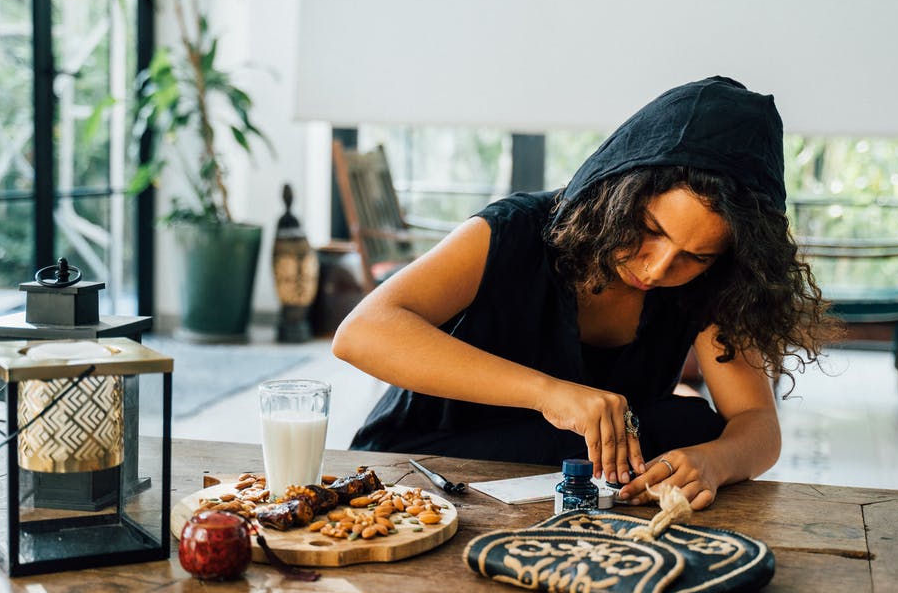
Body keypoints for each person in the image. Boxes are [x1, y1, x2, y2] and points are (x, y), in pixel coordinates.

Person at [332, 76, 836, 510]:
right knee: (675, 423)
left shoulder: (716, 282)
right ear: (620, 192)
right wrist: (548, 394)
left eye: (695, 256)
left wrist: (715, 462)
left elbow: (756, 424)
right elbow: (361, 333)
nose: (659, 268)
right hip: (434, 459)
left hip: (570, 478)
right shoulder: (515, 229)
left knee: (693, 429)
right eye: (650, 228)